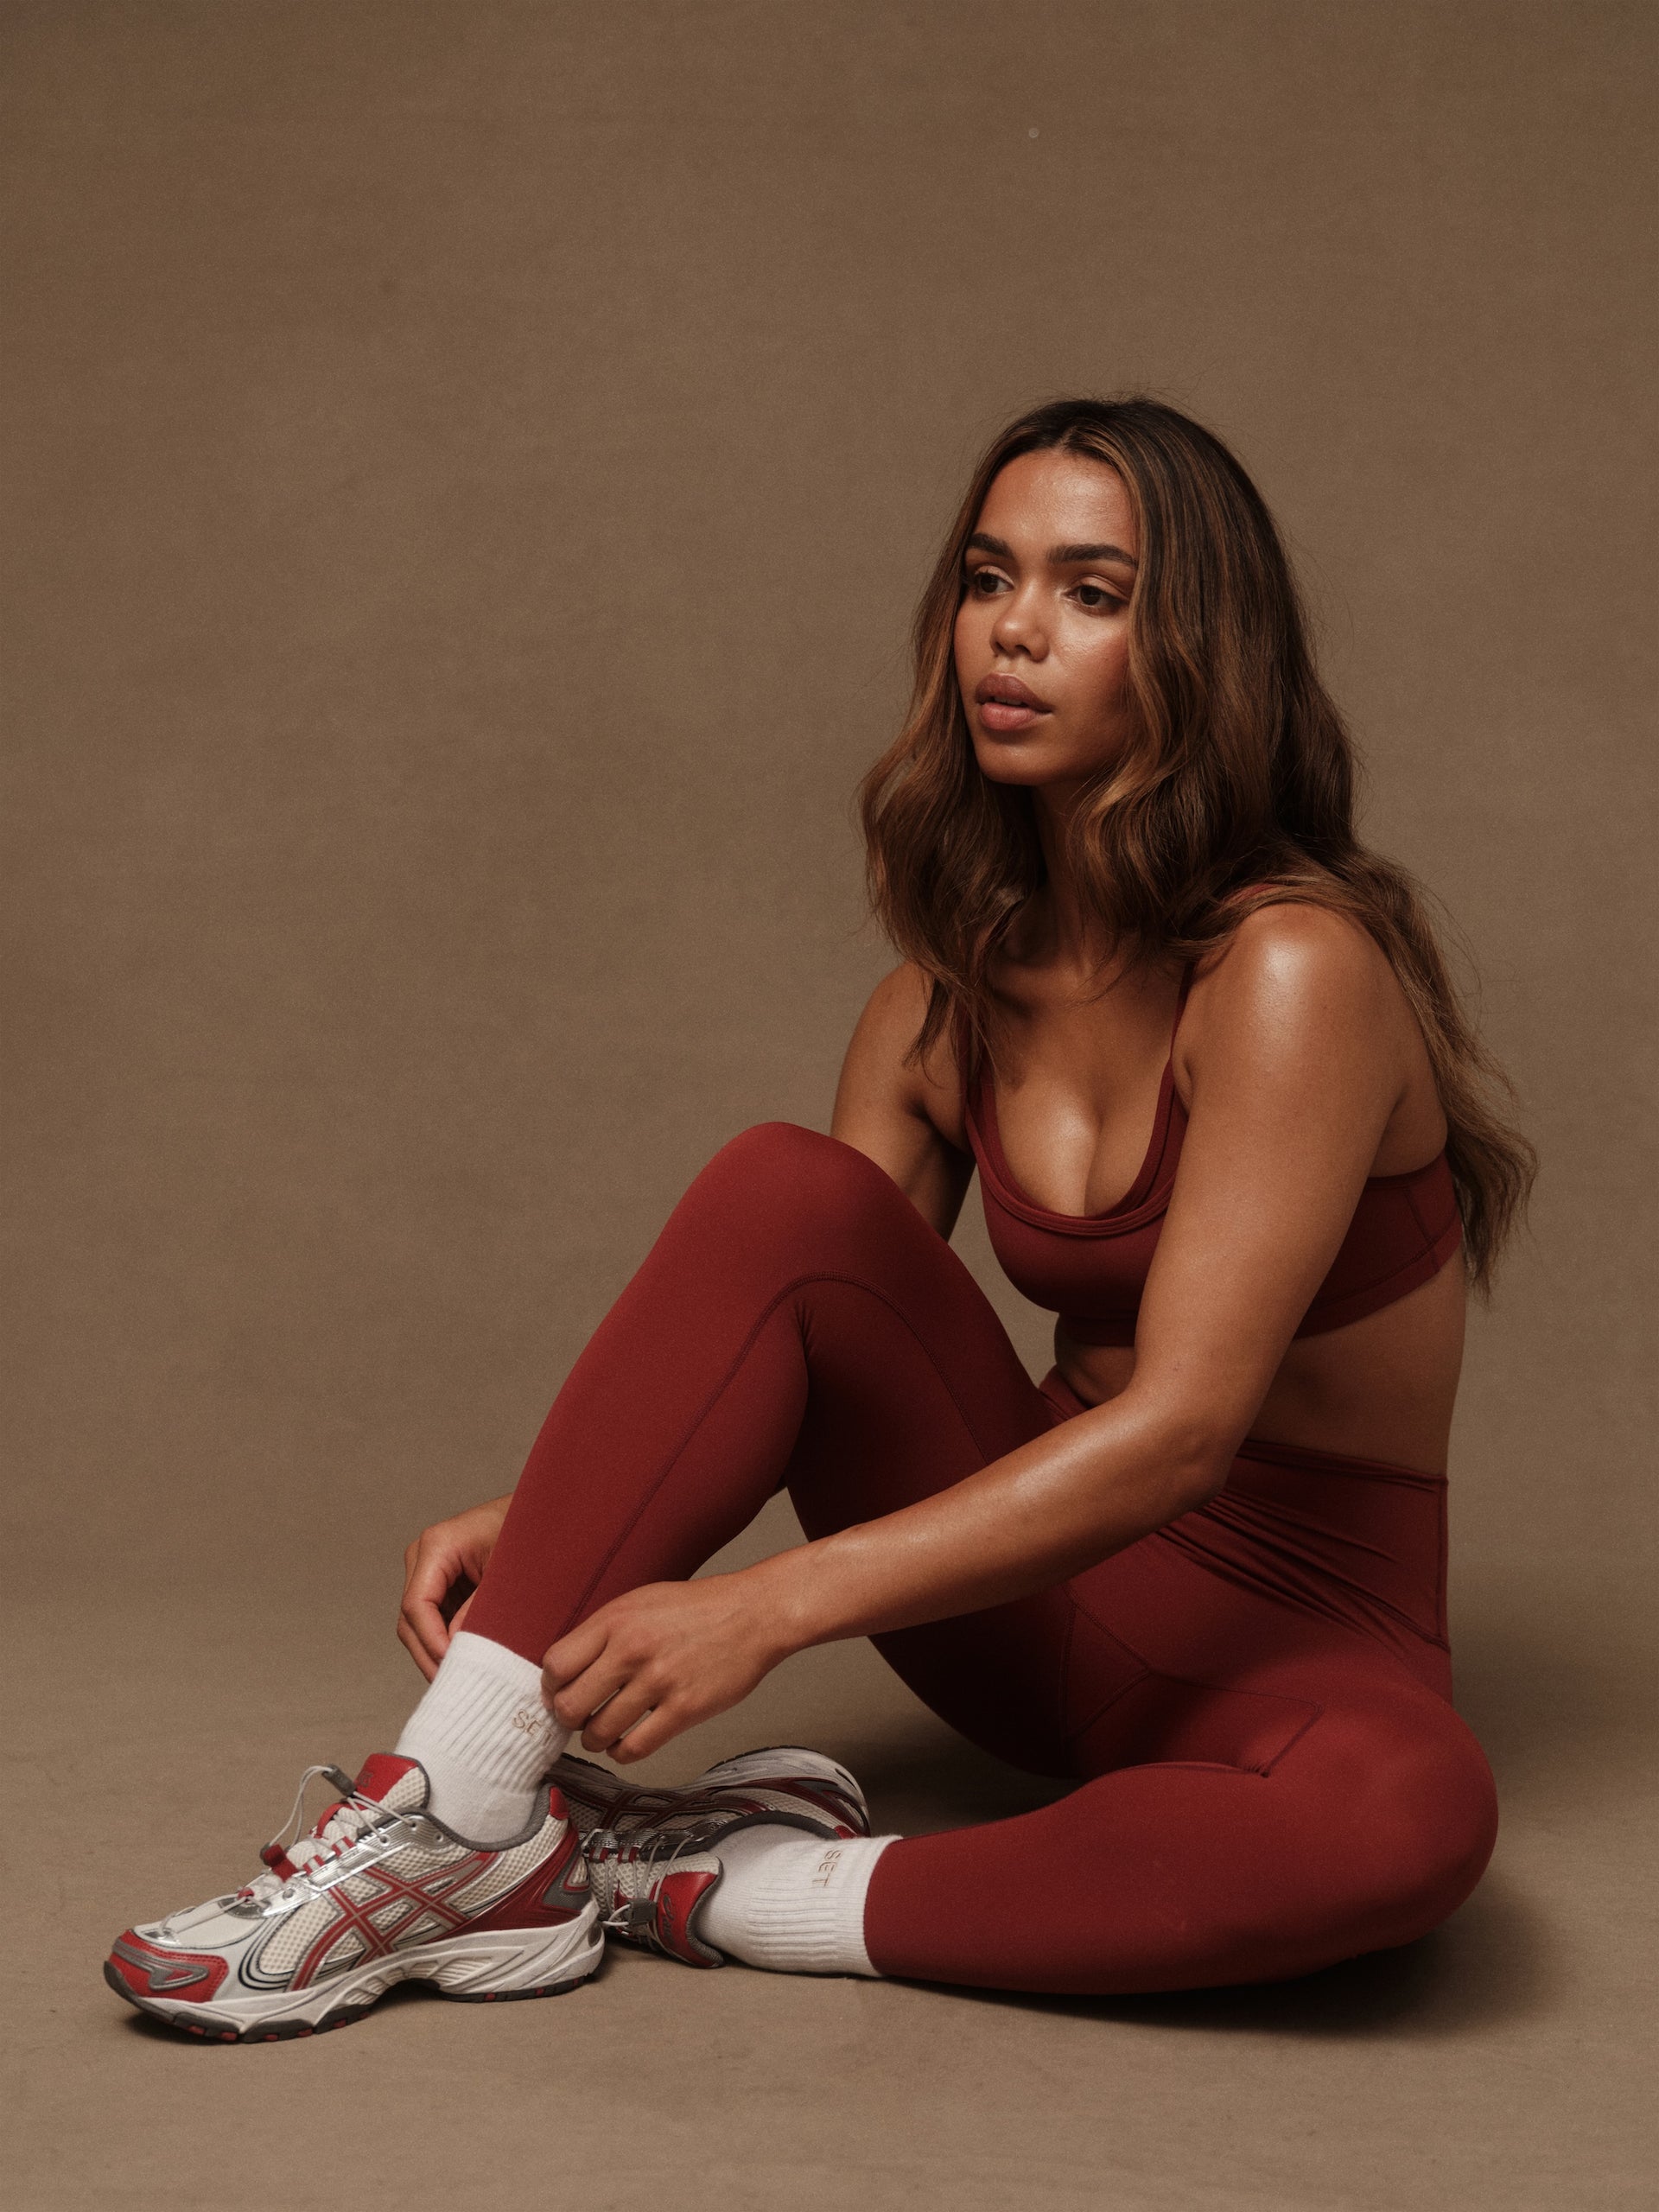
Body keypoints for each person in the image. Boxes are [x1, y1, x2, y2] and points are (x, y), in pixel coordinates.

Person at [105, 396, 1535, 2042]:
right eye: (988, 578)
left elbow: (1182, 1435)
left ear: (1202, 652)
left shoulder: (1294, 971)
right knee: (790, 1186)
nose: (1013, 631)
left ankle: (701, 1886)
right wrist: (563, 1521)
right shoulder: (939, 1005)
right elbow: (795, 1320)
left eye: (1091, 592)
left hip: (1291, 1657)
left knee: (1404, 1827)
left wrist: (764, 1608)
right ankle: (455, 1812)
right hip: (1042, 1628)